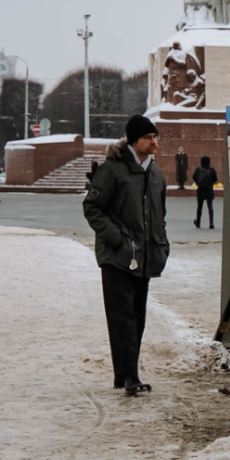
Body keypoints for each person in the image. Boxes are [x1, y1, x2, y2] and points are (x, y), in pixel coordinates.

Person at [83, 115, 168, 396]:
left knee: (137, 316)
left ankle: (127, 373)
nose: (154, 142)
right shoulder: (113, 170)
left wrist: (161, 244)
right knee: (123, 318)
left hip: (144, 257)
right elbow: (92, 207)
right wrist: (117, 239)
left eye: (155, 137)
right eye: (148, 137)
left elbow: (159, 216)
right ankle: (129, 376)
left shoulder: (155, 174)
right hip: (117, 258)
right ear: (134, 141)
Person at [192, 155, 217, 229]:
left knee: (199, 207)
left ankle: (198, 222)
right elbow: (215, 179)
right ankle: (211, 223)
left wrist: (199, 183)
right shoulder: (212, 170)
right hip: (209, 190)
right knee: (210, 207)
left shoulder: (198, 169)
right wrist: (210, 183)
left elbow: (194, 177)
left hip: (200, 190)